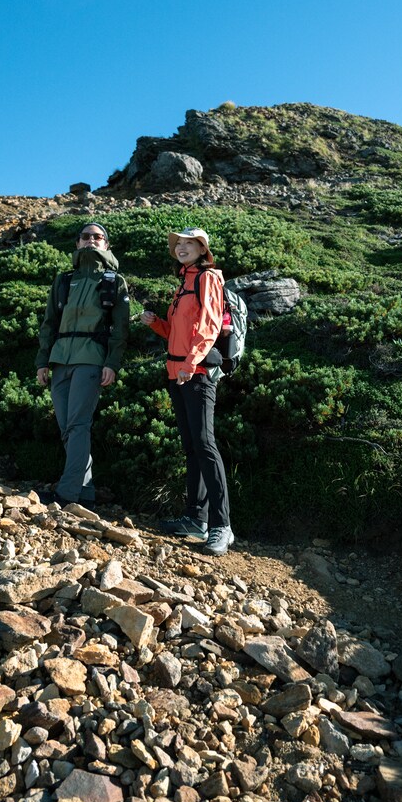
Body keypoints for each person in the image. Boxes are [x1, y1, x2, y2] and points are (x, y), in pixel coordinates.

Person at [140, 227, 234, 556]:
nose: (181, 247)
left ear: (201, 248)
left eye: (188, 243)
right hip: (178, 372)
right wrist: (154, 323)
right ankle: (196, 519)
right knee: (192, 447)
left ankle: (222, 526)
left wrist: (191, 363)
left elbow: (209, 325)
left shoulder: (207, 278)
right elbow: (176, 333)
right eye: (178, 243)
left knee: (205, 445)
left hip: (197, 372)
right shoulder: (184, 283)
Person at [35, 222, 129, 506]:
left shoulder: (114, 281)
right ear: (77, 243)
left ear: (106, 245)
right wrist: (43, 361)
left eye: (97, 237)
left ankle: (67, 493)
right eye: (85, 236)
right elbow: (49, 323)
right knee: (67, 428)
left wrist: (112, 363)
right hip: (60, 360)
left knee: (77, 425)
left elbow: (121, 329)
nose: (91, 241)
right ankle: (85, 493)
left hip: (91, 360)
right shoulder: (63, 280)